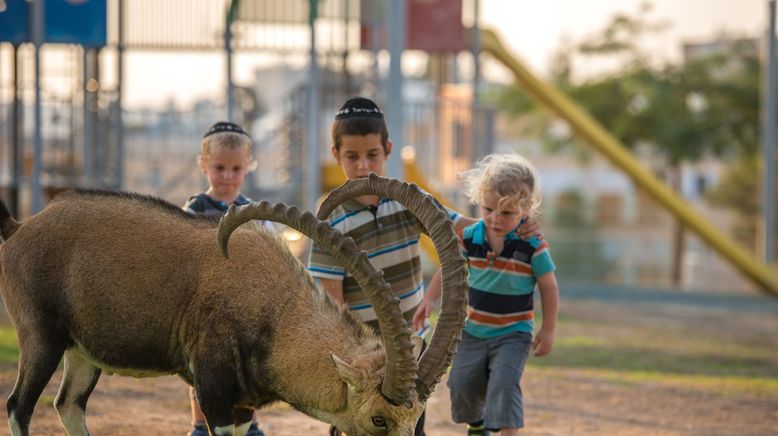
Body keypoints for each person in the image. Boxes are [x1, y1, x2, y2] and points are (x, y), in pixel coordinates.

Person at [307, 97, 542, 436]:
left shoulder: (408, 199)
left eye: (372, 154)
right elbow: (333, 301)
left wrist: (517, 224)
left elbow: (465, 227)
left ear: (388, 149)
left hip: (410, 349)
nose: (362, 166)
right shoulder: (330, 218)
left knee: (409, 428)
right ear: (335, 154)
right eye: (351, 157)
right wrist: (351, 361)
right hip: (365, 357)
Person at [412, 153, 560, 436]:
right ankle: (477, 425)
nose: (495, 219)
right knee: (461, 384)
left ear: (526, 209)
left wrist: (549, 328)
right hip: (473, 330)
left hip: (513, 333)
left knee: (504, 385)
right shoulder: (470, 236)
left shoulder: (532, 245)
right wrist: (429, 299)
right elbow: (450, 268)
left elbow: (549, 286)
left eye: (506, 213)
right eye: (488, 209)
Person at [182, 121, 270, 436]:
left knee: (248, 368)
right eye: (219, 167)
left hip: (245, 304)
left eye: (236, 168)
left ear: (248, 166)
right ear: (203, 164)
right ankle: (200, 425)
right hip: (207, 304)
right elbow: (185, 254)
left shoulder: (253, 211)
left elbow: (268, 256)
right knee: (203, 369)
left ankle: (249, 426)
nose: (228, 176)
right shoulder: (194, 210)